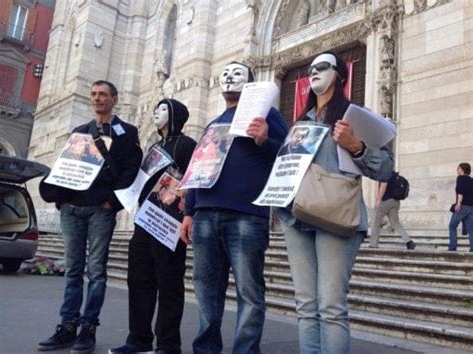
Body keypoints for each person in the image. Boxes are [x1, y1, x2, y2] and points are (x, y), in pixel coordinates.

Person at [276, 52, 393, 354]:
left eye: (322, 67)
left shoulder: (356, 117)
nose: (313, 72)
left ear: (340, 75)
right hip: (295, 217)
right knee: (305, 305)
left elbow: (385, 170)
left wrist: (356, 146)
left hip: (337, 216)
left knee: (330, 306)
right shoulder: (299, 124)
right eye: (311, 69)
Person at [180, 61, 288, 354]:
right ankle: (206, 349)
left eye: (237, 73)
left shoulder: (268, 115)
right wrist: (189, 211)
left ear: (251, 83)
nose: (229, 77)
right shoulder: (213, 124)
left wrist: (265, 139)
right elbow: (197, 168)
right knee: (205, 289)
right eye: (225, 73)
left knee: (249, 291)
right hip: (204, 215)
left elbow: (288, 155)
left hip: (246, 216)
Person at [38, 80, 143, 354]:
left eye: (103, 95)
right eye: (94, 94)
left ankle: (88, 329)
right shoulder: (80, 131)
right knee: (73, 269)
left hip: (101, 210)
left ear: (114, 99)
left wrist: (113, 203)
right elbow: (65, 165)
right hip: (72, 209)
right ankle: (67, 326)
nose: (97, 99)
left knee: (96, 272)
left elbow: (131, 170)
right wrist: (61, 200)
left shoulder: (127, 132)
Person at [110, 98, 196, 354]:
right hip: (144, 222)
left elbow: (190, 182)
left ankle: (169, 344)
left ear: (174, 114)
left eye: (161, 110)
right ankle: (138, 339)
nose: (155, 114)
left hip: (168, 223)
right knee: (138, 281)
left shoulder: (188, 145)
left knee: (169, 285)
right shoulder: (154, 147)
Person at [369, 173, 416, 250]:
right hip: (395, 202)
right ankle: (409, 242)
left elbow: (384, 185)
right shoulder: (394, 175)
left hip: (385, 201)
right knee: (395, 223)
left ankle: (373, 244)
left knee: (375, 222)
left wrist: (378, 200)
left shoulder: (384, 173)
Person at [448, 162, 473, 252]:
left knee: (452, 226)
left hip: (462, 206)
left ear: (462, 169)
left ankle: (452, 248)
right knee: (471, 229)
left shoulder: (461, 179)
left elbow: (460, 191)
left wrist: (459, 203)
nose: (457, 170)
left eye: (458, 168)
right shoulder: (471, 180)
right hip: (471, 207)